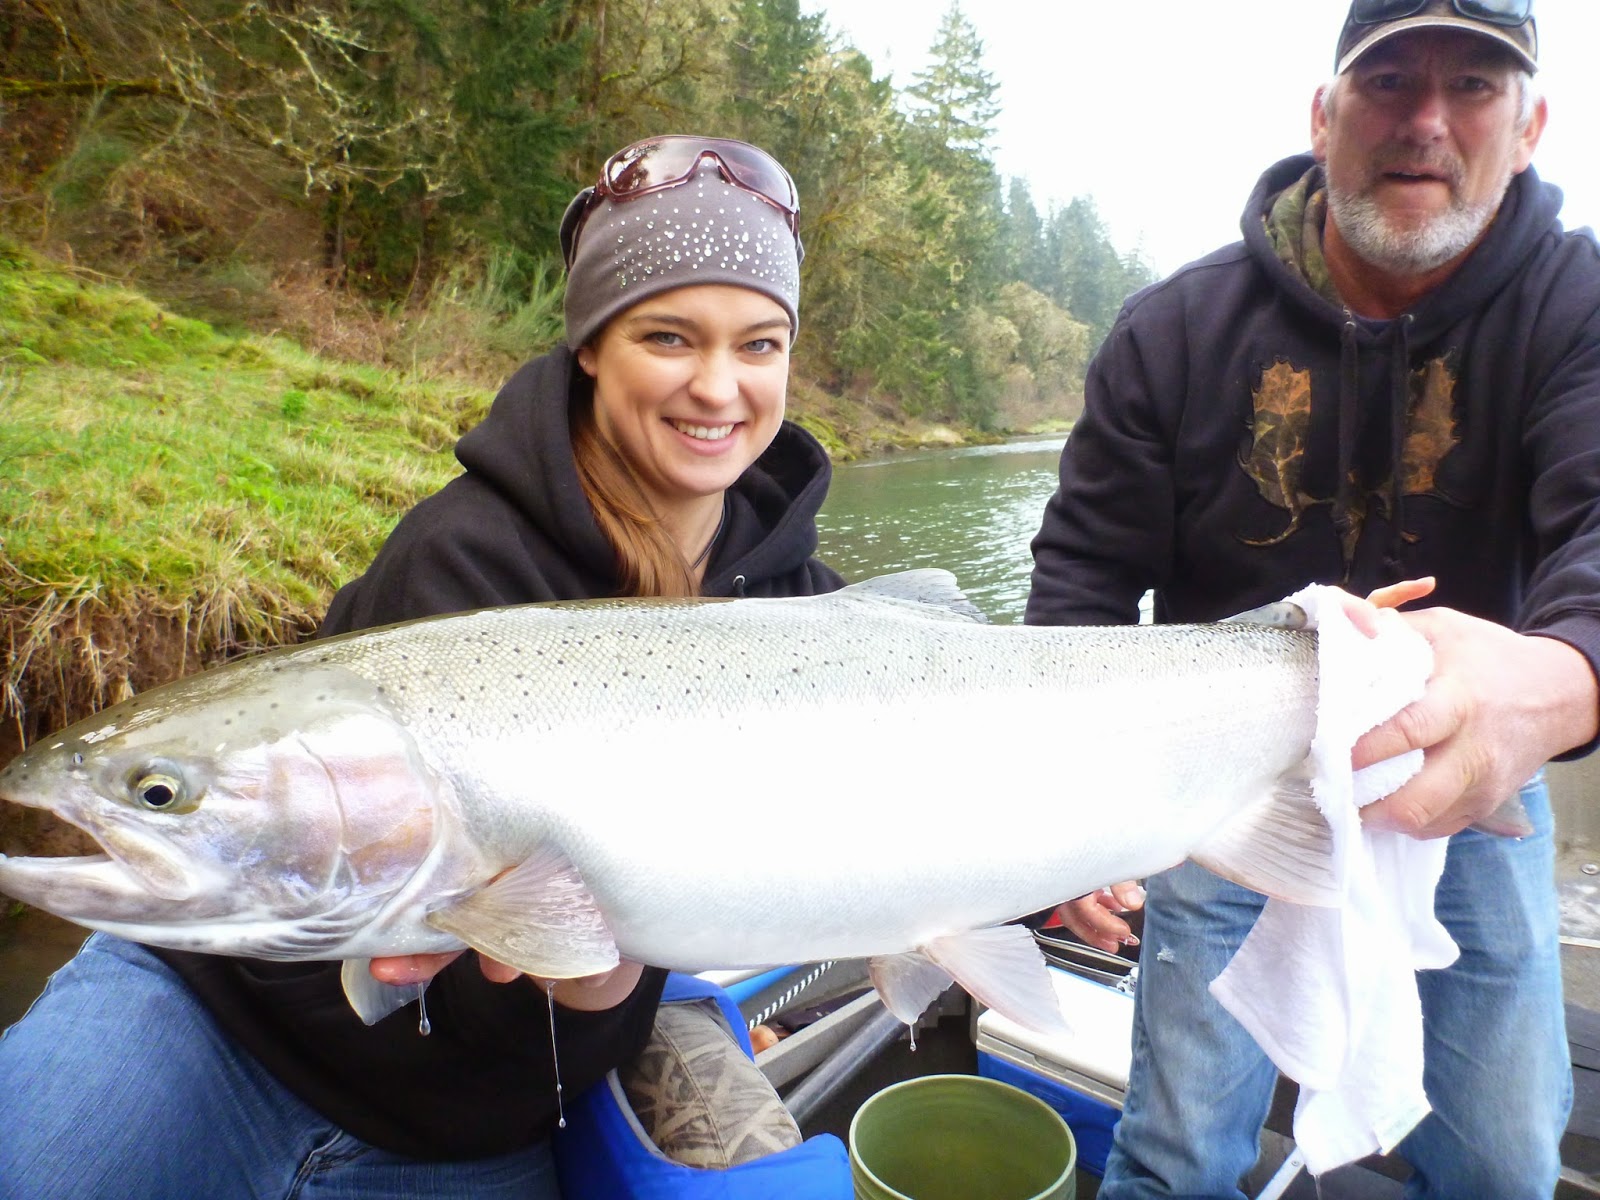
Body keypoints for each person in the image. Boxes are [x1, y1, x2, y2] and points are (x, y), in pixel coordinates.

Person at [0, 134, 843, 1199]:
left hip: (473, 1124)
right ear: (592, 346)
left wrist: (596, 971)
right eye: (669, 336)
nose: (718, 387)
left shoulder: (809, 618)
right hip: (215, 1026)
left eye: (759, 345)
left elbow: (565, 1026)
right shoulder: (464, 555)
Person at [1026, 3, 1600, 1197]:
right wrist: (1074, 808)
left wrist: (1552, 690)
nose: (1427, 121)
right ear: (1323, 114)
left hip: (1473, 778)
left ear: (1532, 123)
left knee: (1502, 1158)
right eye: (1387, 80)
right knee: (1179, 1149)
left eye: (1475, 86)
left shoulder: (1576, 313)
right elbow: (1079, 583)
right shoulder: (1171, 330)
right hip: (1223, 781)